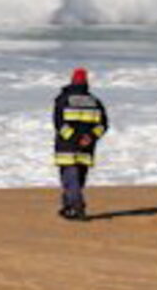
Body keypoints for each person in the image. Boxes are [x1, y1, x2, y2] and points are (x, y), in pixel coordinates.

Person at [53, 67, 109, 221]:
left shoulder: (63, 99)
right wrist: (90, 137)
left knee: (69, 178)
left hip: (67, 146)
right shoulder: (95, 101)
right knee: (79, 178)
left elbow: (59, 123)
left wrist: (73, 138)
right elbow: (103, 125)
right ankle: (69, 206)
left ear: (72, 81)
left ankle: (77, 207)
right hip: (87, 146)